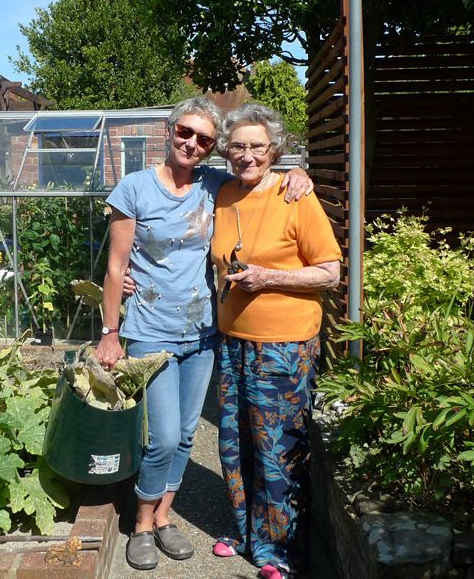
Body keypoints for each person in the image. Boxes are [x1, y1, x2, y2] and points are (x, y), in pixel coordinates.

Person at [94, 97, 314, 571]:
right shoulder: (134, 188)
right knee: (163, 436)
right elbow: (115, 266)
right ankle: (142, 524)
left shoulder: (216, 183)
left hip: (202, 332)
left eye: (204, 139)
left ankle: (166, 517)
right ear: (169, 131)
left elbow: (261, 170)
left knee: (188, 434)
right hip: (150, 330)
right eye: (185, 133)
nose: (192, 144)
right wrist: (110, 331)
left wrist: (300, 174)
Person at [210, 103, 341, 579]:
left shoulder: (295, 195)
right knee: (235, 444)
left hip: (282, 345)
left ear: (275, 151)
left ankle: (280, 553)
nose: (247, 155)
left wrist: (267, 277)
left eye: (257, 147)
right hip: (232, 341)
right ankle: (246, 533)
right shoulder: (223, 194)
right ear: (227, 151)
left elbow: (330, 271)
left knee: (278, 451)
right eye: (238, 146)